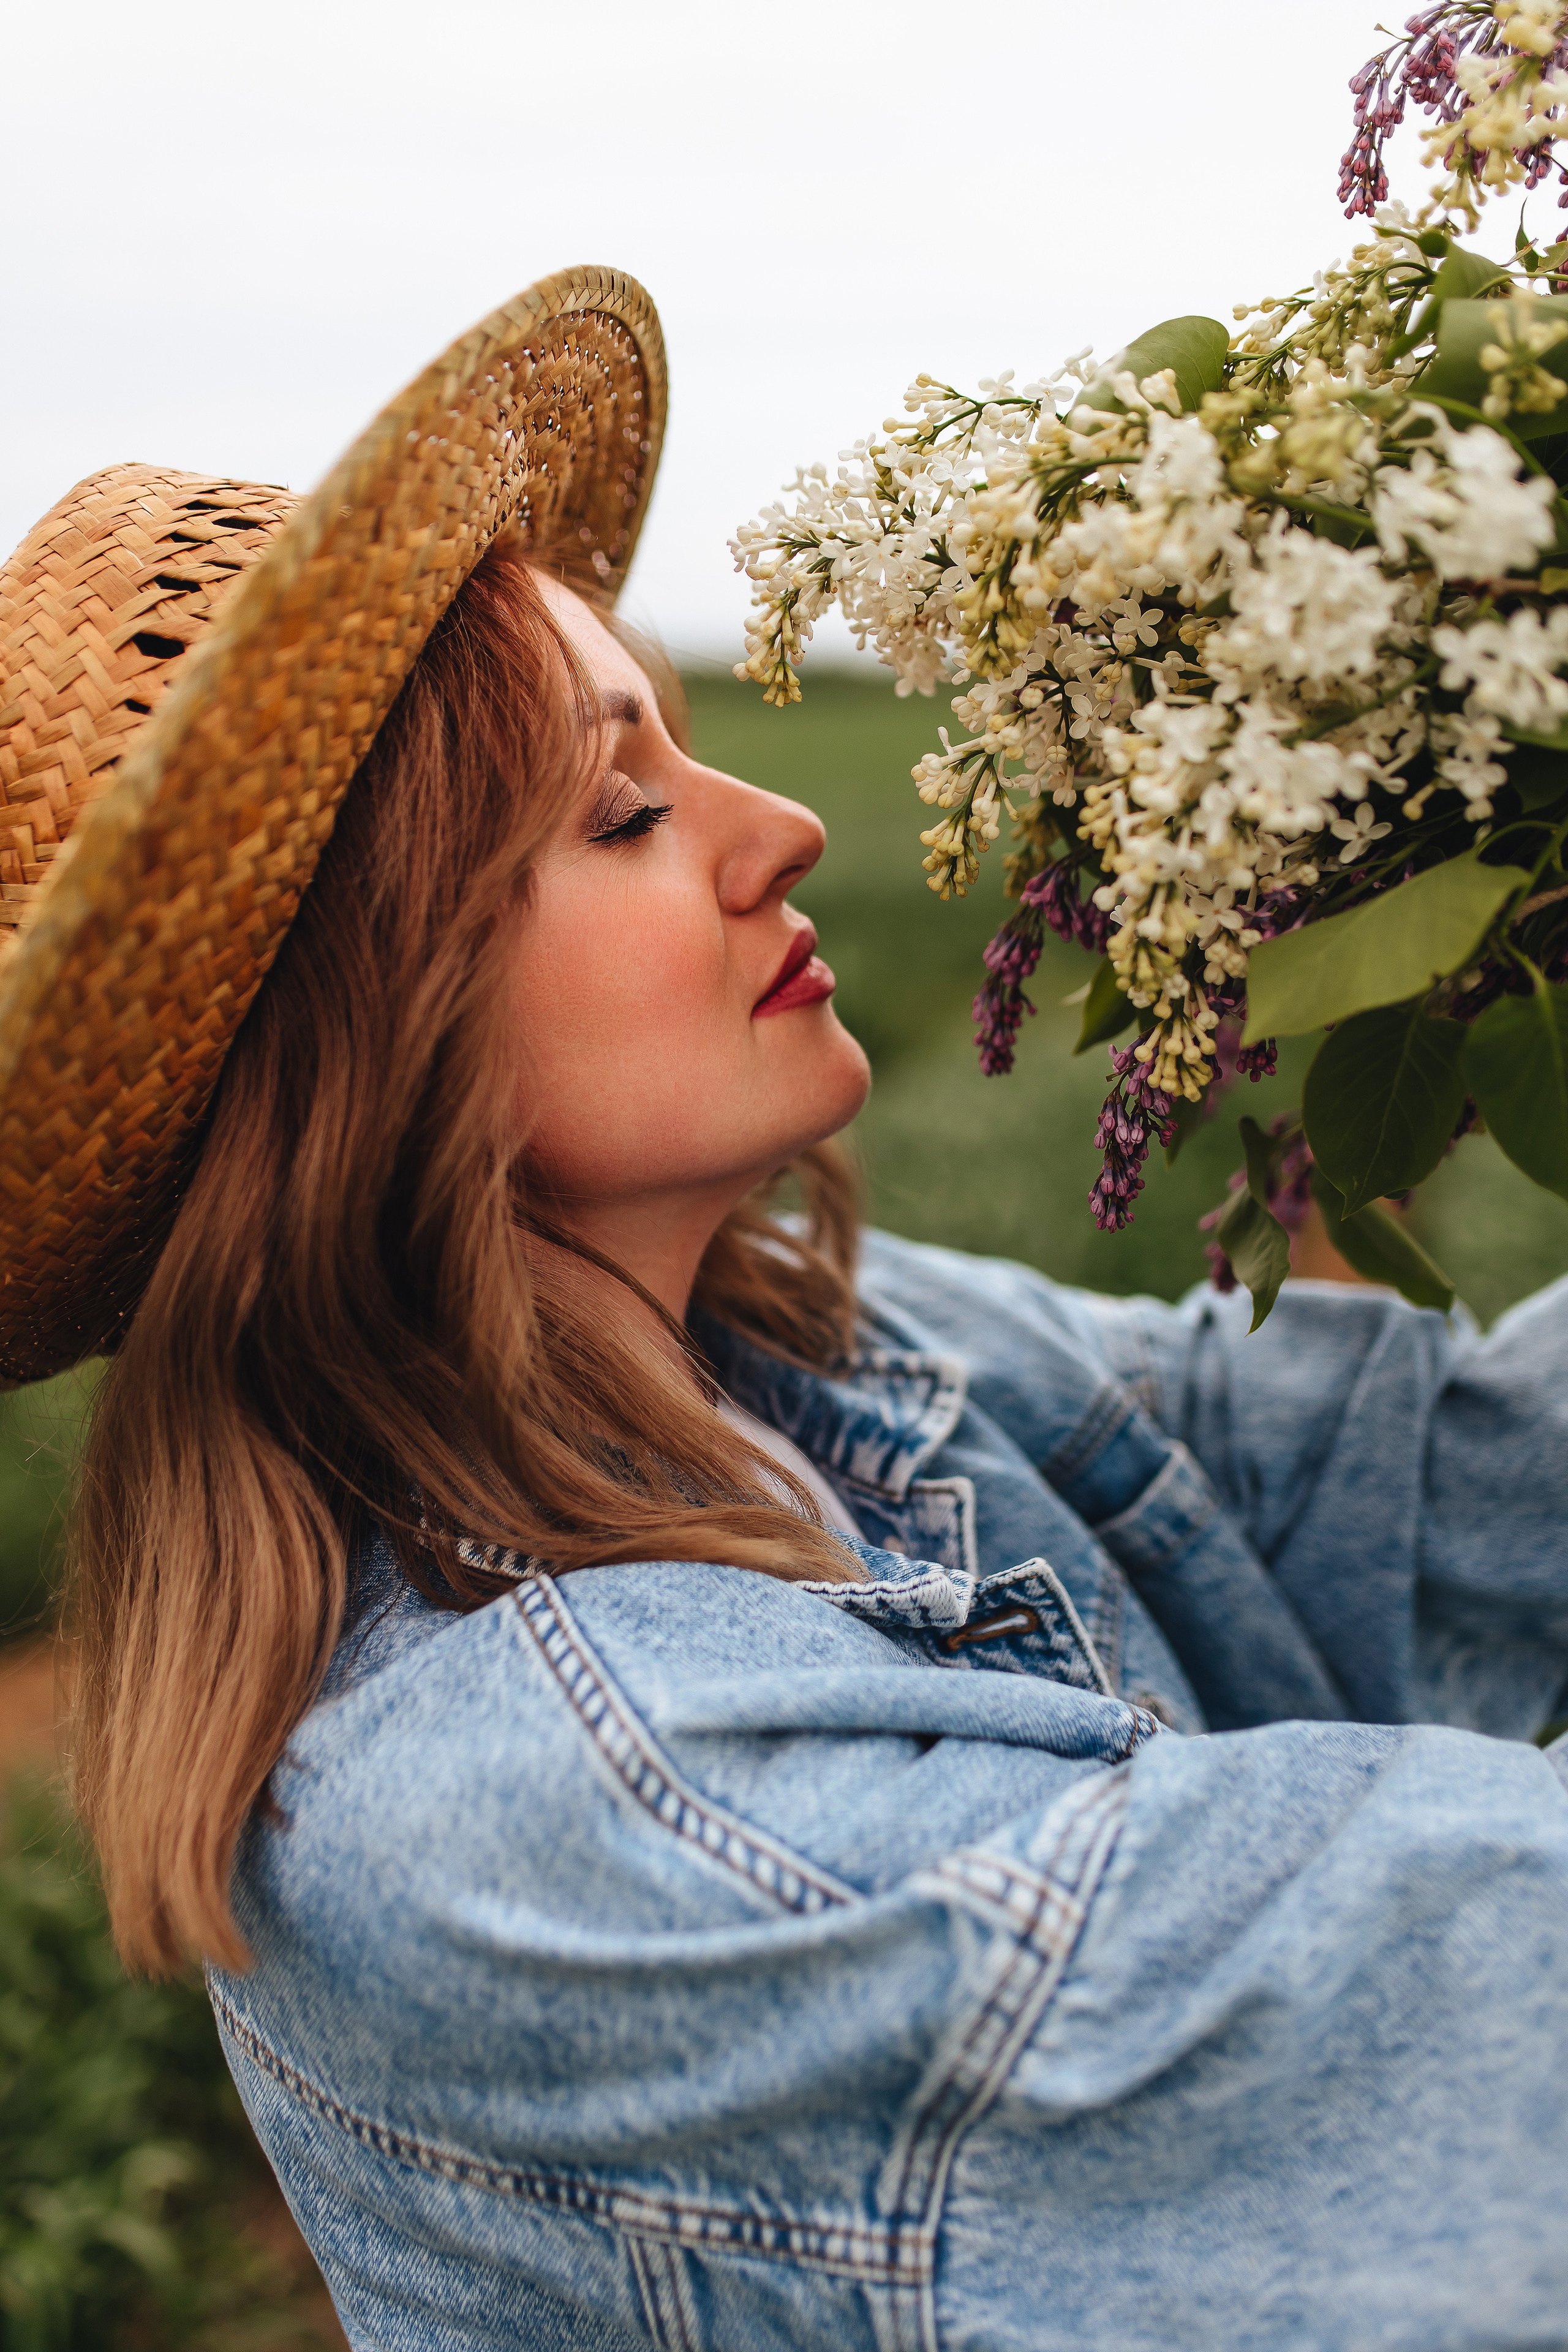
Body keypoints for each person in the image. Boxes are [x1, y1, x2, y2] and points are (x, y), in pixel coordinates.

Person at [2, 268, 1566, 2352]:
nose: (789, 828)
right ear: (369, 1036)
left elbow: (1428, 1473)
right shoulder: (565, 1809)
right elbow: (1467, 1988)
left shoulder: (796, 1351)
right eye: (624, 812)